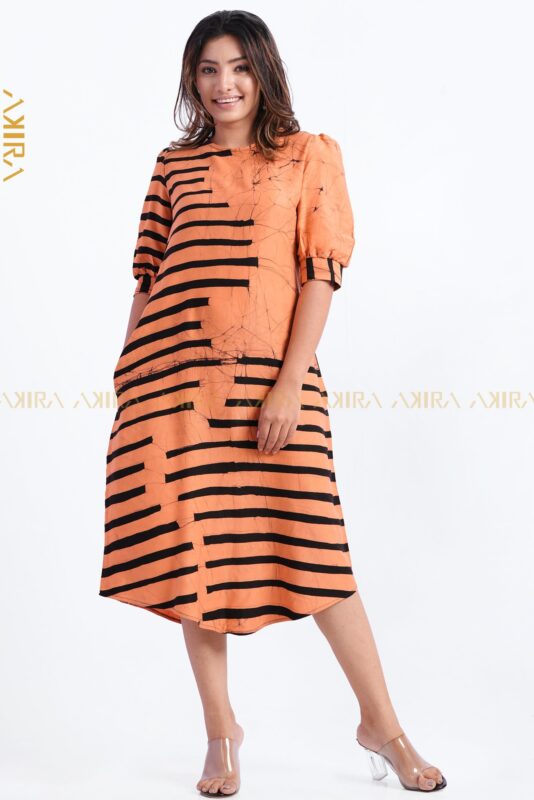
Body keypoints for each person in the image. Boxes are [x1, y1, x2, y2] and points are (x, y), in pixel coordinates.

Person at [99, 9, 447, 797]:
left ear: (263, 71)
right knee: (191, 554)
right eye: (208, 69)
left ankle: (383, 727)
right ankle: (221, 734)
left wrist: (289, 382)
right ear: (192, 79)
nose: (224, 85)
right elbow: (149, 277)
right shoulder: (172, 165)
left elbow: (320, 272)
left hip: (273, 381)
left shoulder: (309, 155)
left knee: (319, 554)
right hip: (171, 388)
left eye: (239, 67)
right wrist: (126, 376)